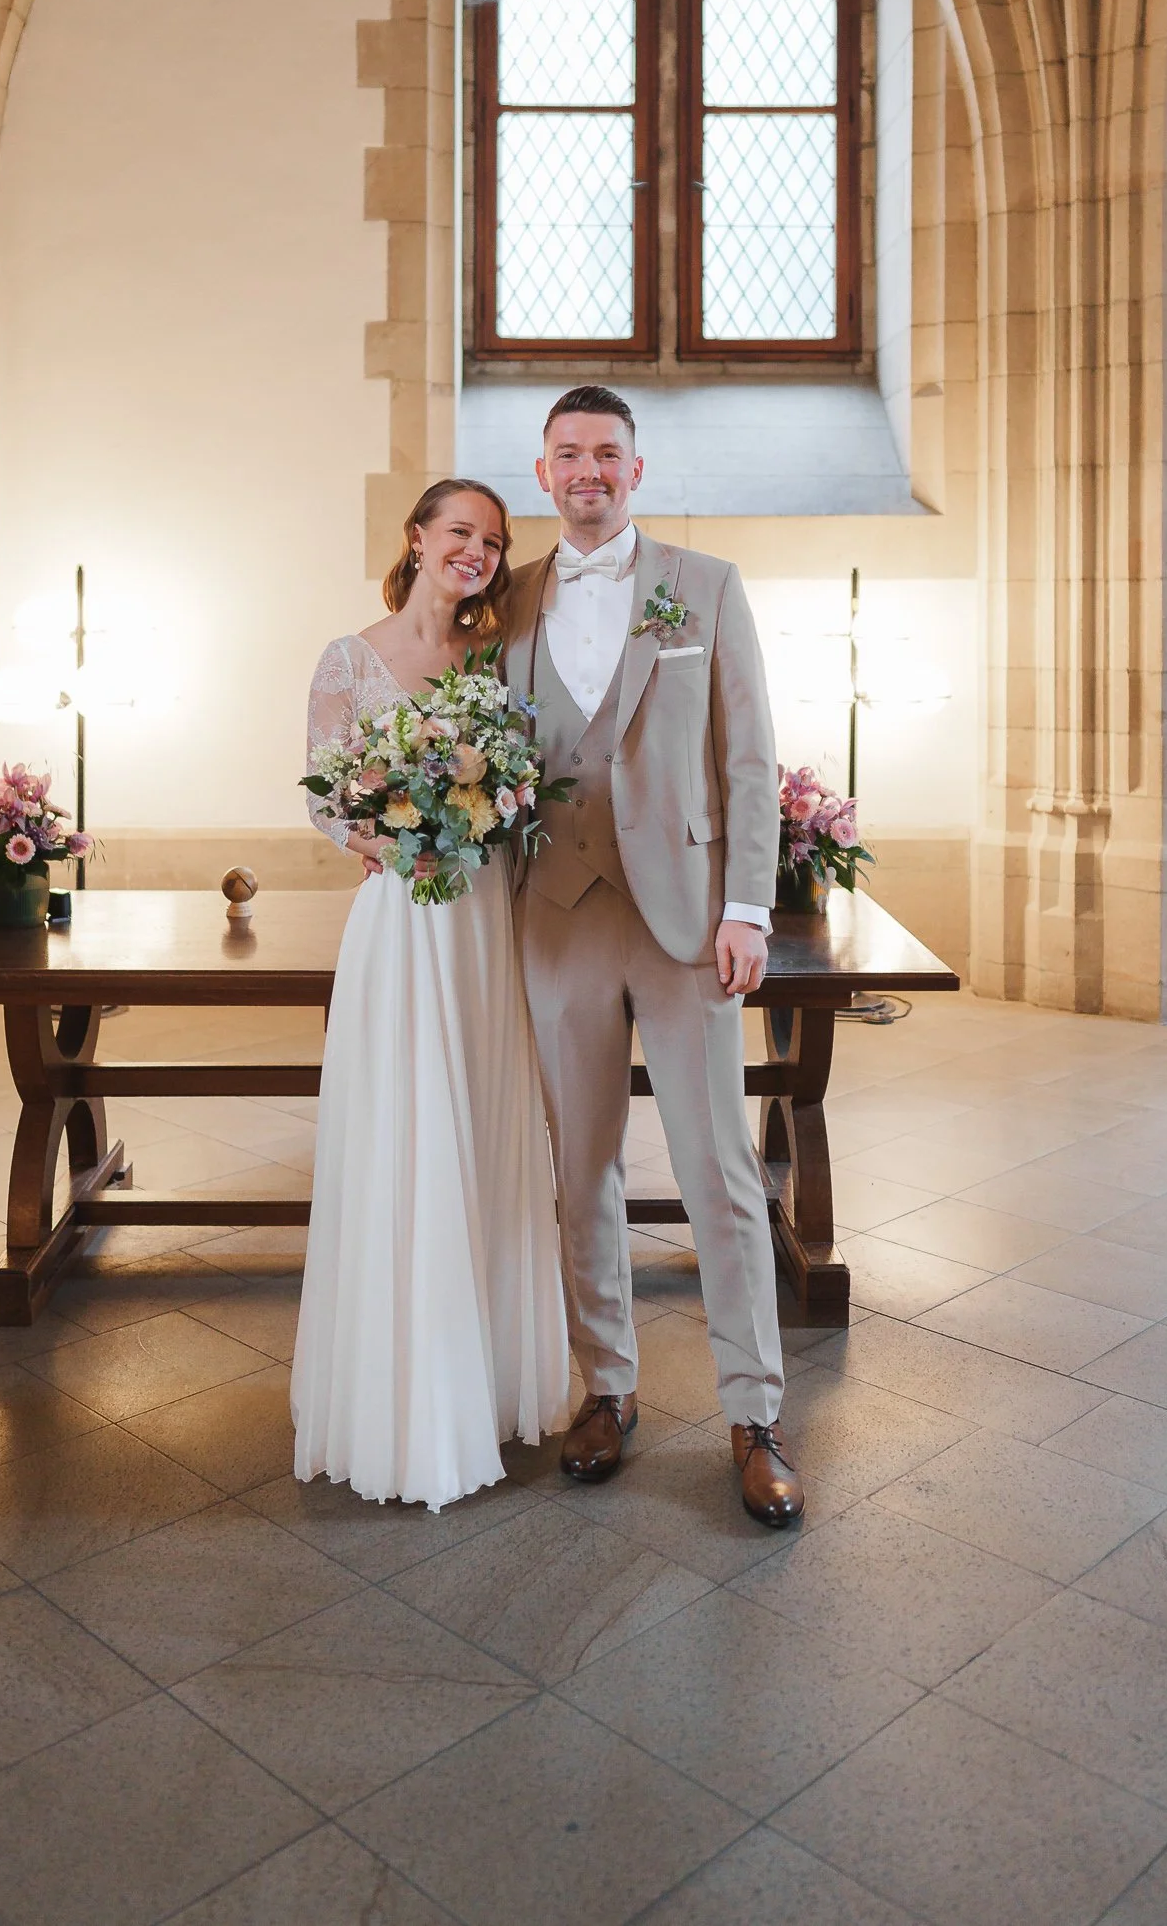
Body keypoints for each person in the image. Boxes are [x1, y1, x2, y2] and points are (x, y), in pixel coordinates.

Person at [504, 387, 804, 1526]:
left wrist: (745, 909)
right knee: (580, 1168)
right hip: (557, 913)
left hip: (685, 919)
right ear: (542, 474)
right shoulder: (511, 598)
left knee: (718, 1173)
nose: (588, 469)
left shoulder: (705, 585)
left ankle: (753, 1413)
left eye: (606, 454)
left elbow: (746, 759)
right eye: (567, 454)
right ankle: (608, 1389)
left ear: (637, 469)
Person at [292, 479, 569, 1511]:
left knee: (483, 1125)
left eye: (493, 542)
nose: (478, 554)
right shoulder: (349, 658)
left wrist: (483, 808)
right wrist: (391, 835)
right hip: (404, 915)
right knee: (405, 1129)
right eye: (461, 533)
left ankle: (484, 1380)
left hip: (481, 918)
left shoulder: (493, 659)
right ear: (416, 538)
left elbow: (521, 778)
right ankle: (402, 1399)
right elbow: (324, 796)